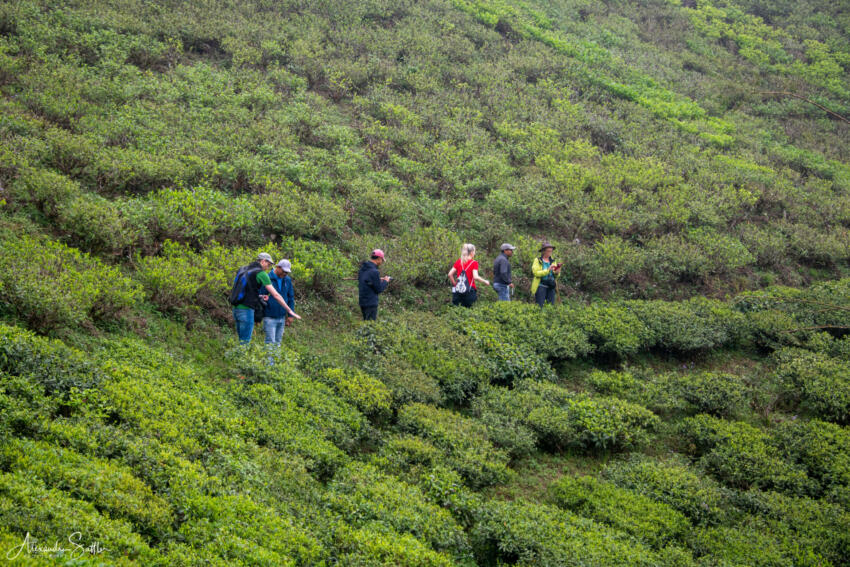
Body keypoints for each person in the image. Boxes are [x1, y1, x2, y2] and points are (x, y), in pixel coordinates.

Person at [231, 253, 300, 345]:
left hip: (236, 309)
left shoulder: (243, 269)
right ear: (263, 261)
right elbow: (276, 295)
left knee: (241, 340)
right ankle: (242, 359)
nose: (268, 267)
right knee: (245, 343)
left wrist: (260, 297)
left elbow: (246, 289)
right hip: (247, 310)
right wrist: (290, 311)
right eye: (268, 264)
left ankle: (236, 358)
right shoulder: (261, 273)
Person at [263, 259, 295, 352]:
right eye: (284, 271)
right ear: (277, 267)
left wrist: (290, 315)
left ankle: (276, 365)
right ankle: (269, 365)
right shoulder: (267, 278)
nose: (285, 274)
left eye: (287, 272)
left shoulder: (287, 280)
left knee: (278, 343)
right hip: (269, 316)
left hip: (281, 317)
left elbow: (290, 298)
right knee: (270, 342)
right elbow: (261, 295)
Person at [448, 243, 490, 308]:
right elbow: (475, 277)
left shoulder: (459, 261)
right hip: (469, 292)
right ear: (472, 252)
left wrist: (455, 284)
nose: (474, 253)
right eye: (474, 252)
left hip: (458, 292)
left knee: (457, 311)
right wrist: (485, 281)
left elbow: (450, 274)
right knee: (469, 313)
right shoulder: (474, 263)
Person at [358, 249, 391, 320]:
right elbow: (379, 289)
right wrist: (385, 281)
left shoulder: (363, 268)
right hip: (370, 303)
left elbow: (367, 281)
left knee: (366, 324)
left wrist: (378, 279)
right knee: (370, 326)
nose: (382, 262)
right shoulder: (374, 271)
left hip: (362, 302)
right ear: (379, 259)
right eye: (382, 260)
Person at [531, 242, 561, 307]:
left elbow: (555, 275)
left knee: (550, 306)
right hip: (541, 286)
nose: (550, 253)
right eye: (548, 251)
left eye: (551, 251)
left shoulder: (553, 261)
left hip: (551, 286)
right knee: (539, 306)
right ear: (544, 251)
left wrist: (557, 272)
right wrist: (547, 270)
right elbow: (536, 273)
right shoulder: (537, 260)